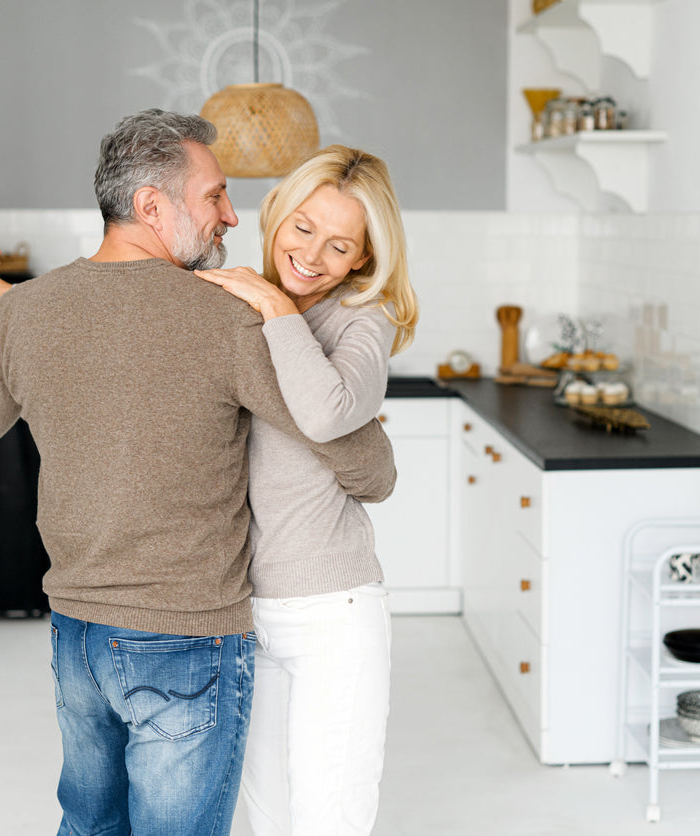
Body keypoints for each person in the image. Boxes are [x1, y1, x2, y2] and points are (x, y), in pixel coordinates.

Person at [0, 110, 396, 836]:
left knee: (91, 825)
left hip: (77, 631)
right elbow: (364, 464)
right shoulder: (226, 318)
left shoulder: (27, 309)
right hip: (185, 635)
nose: (231, 216)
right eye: (214, 196)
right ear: (153, 206)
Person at [194, 145, 416, 836]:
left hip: (331, 611)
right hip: (241, 609)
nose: (312, 255)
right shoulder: (230, 305)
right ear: (277, 214)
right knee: (267, 816)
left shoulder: (362, 319)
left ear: (363, 257)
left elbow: (325, 412)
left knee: (328, 819)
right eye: (303, 227)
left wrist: (274, 306)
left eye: (339, 245)